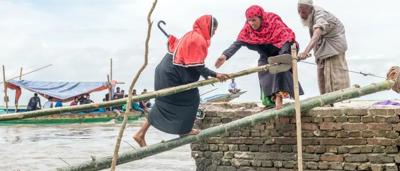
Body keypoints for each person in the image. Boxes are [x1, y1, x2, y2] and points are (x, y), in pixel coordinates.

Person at [133, 15, 229, 147]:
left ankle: (140, 134)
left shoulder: (190, 35)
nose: (213, 33)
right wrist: (215, 74)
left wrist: (210, 75)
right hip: (172, 73)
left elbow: (188, 60)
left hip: (164, 69)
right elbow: (197, 66)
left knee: (163, 101)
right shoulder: (198, 39)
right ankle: (184, 130)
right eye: (213, 29)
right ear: (208, 26)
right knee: (192, 98)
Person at [215, 5, 304, 109]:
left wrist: (282, 55)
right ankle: (271, 99)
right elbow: (238, 43)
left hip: (283, 48)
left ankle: (279, 97)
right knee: (263, 69)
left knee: (279, 69)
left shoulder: (273, 20)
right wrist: (225, 55)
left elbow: (287, 37)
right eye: (249, 20)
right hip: (266, 52)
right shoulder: (248, 28)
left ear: (261, 18)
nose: (252, 23)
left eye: (254, 20)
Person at [297, 0, 350, 96]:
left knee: (336, 80)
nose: (301, 14)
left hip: (334, 48)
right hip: (322, 49)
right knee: (323, 80)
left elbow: (317, 33)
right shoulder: (310, 17)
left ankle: (340, 103)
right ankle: (326, 103)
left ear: (310, 9)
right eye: (299, 11)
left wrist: (305, 52)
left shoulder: (320, 14)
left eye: (303, 12)